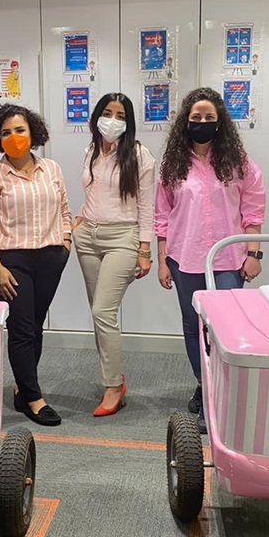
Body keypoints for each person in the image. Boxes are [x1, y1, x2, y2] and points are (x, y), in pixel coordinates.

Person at [155, 87, 265, 434]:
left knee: (223, 329)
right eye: (196, 117)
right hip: (184, 259)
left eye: (209, 118)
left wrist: (254, 253)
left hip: (228, 259)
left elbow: (253, 210)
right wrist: (162, 261)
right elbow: (162, 216)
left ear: (220, 122)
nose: (202, 123)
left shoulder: (239, 164)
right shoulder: (173, 165)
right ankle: (204, 386)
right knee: (193, 326)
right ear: (185, 122)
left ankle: (223, 392)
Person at [0, 104, 72, 427]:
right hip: (12, 260)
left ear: (33, 133)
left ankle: (22, 387)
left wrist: (65, 243)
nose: (14, 137)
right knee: (20, 328)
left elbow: (64, 209)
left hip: (50, 257)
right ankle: (34, 399)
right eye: (6, 133)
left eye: (19, 130)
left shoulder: (51, 168)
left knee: (35, 325)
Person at [73, 93, 155, 416]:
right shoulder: (91, 150)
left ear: (128, 122)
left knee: (103, 311)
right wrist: (79, 220)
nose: (113, 120)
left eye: (120, 116)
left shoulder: (139, 155)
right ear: (97, 116)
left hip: (123, 237)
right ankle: (112, 376)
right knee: (98, 312)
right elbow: (93, 193)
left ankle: (112, 386)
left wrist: (144, 250)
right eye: (107, 113)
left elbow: (146, 206)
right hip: (88, 236)